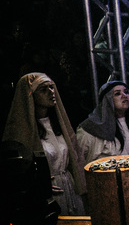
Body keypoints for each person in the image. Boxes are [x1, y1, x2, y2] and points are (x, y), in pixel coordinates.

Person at [3, 73, 88, 216]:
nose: (51, 92)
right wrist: (36, 183)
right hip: (47, 195)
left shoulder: (59, 126)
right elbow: (15, 172)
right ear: (30, 96)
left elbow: (74, 158)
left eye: (51, 87)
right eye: (43, 90)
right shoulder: (21, 132)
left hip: (69, 188)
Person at [75, 80, 129, 163]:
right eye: (117, 93)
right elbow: (79, 158)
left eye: (126, 92)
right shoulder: (91, 128)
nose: (124, 96)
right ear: (108, 99)